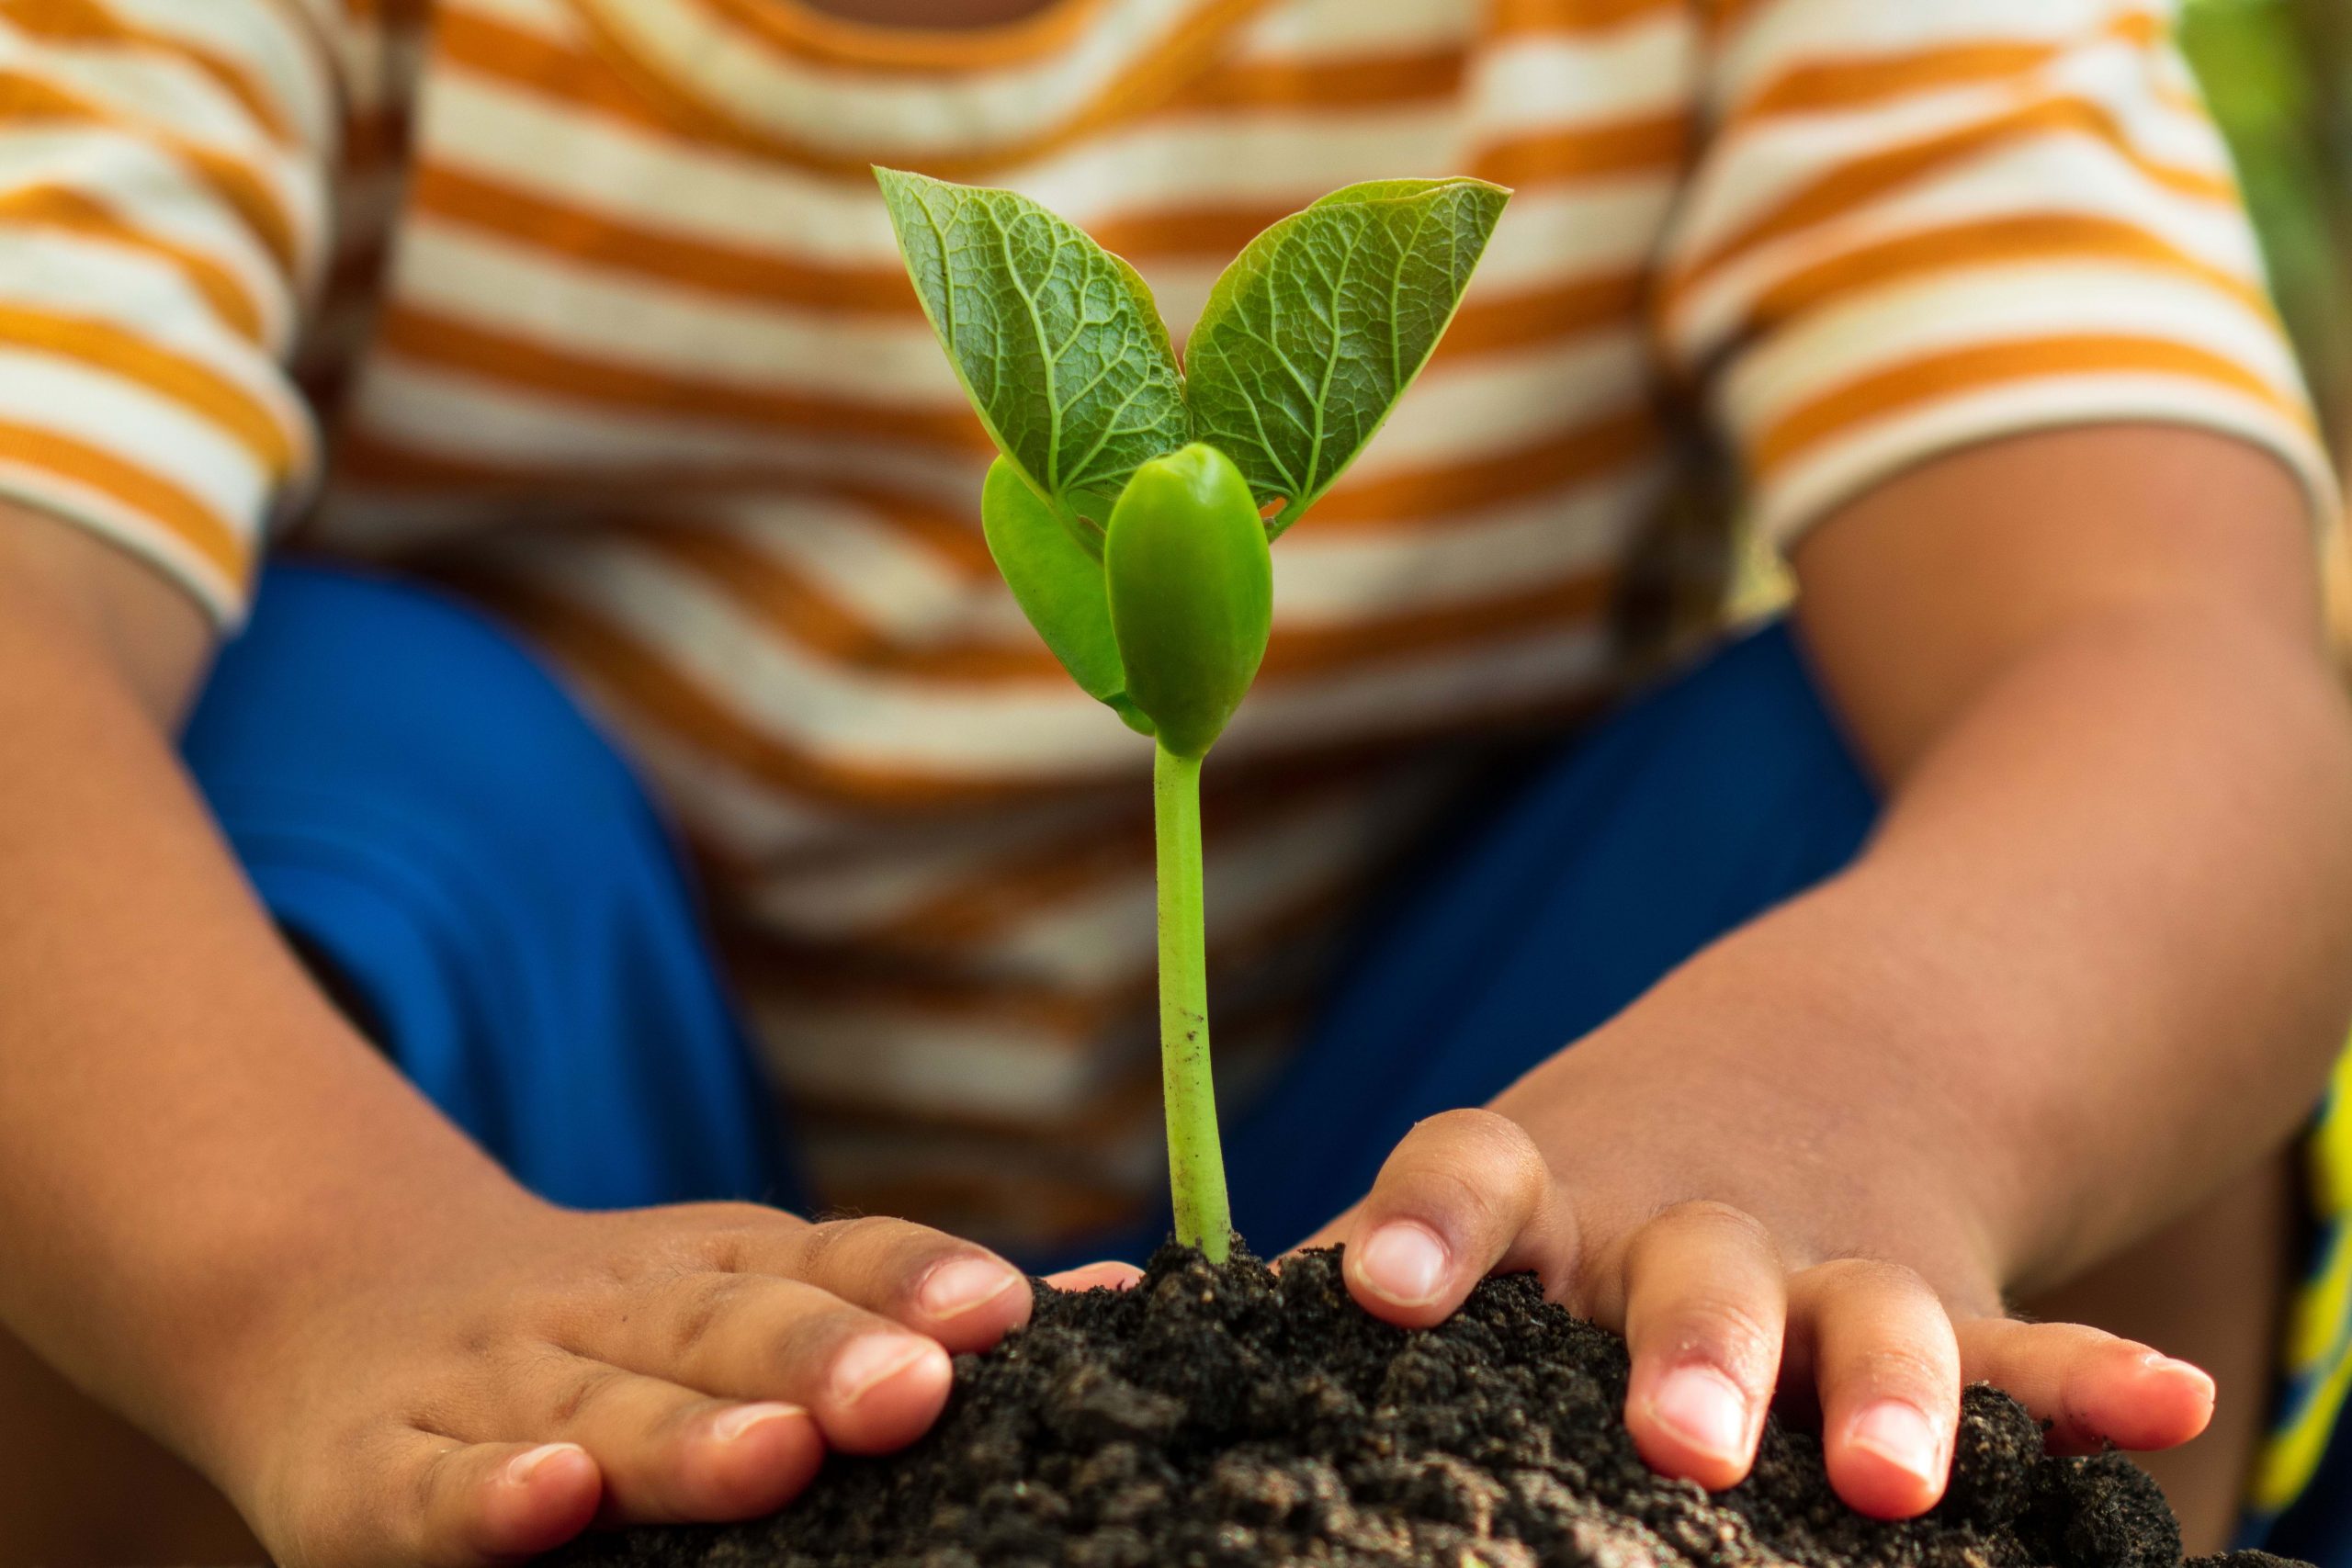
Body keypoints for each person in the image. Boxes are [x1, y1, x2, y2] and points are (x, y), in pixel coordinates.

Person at [3, 0, 2350, 1562]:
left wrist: (1873, 1080)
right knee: (295, 757)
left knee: (2012, 838)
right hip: (542, 1183)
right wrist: (305, 1264)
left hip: (1484, 1190)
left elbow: (2181, 660)